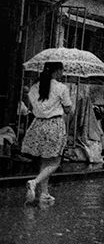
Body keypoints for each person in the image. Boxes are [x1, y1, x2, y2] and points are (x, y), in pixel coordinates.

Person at [21, 61, 72, 206]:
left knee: (45, 159)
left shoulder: (35, 87)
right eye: (62, 70)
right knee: (56, 161)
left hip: (38, 124)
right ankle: (34, 182)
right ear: (56, 71)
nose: (62, 73)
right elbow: (68, 109)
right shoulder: (61, 88)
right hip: (54, 125)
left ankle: (44, 193)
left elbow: (33, 106)